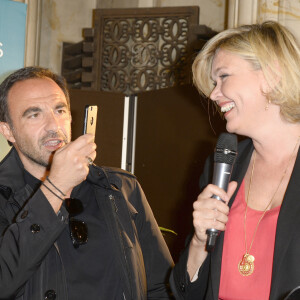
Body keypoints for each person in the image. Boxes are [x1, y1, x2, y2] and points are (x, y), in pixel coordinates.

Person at [0, 66, 174, 300]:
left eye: (60, 110)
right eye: (34, 114)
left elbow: (160, 287)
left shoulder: (118, 188)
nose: (53, 126)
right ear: (8, 130)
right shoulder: (4, 197)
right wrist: (56, 187)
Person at [170, 21, 300, 300]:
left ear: (272, 74)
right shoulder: (223, 166)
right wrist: (199, 241)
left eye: (223, 76)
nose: (214, 94)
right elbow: (184, 291)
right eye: (213, 84)